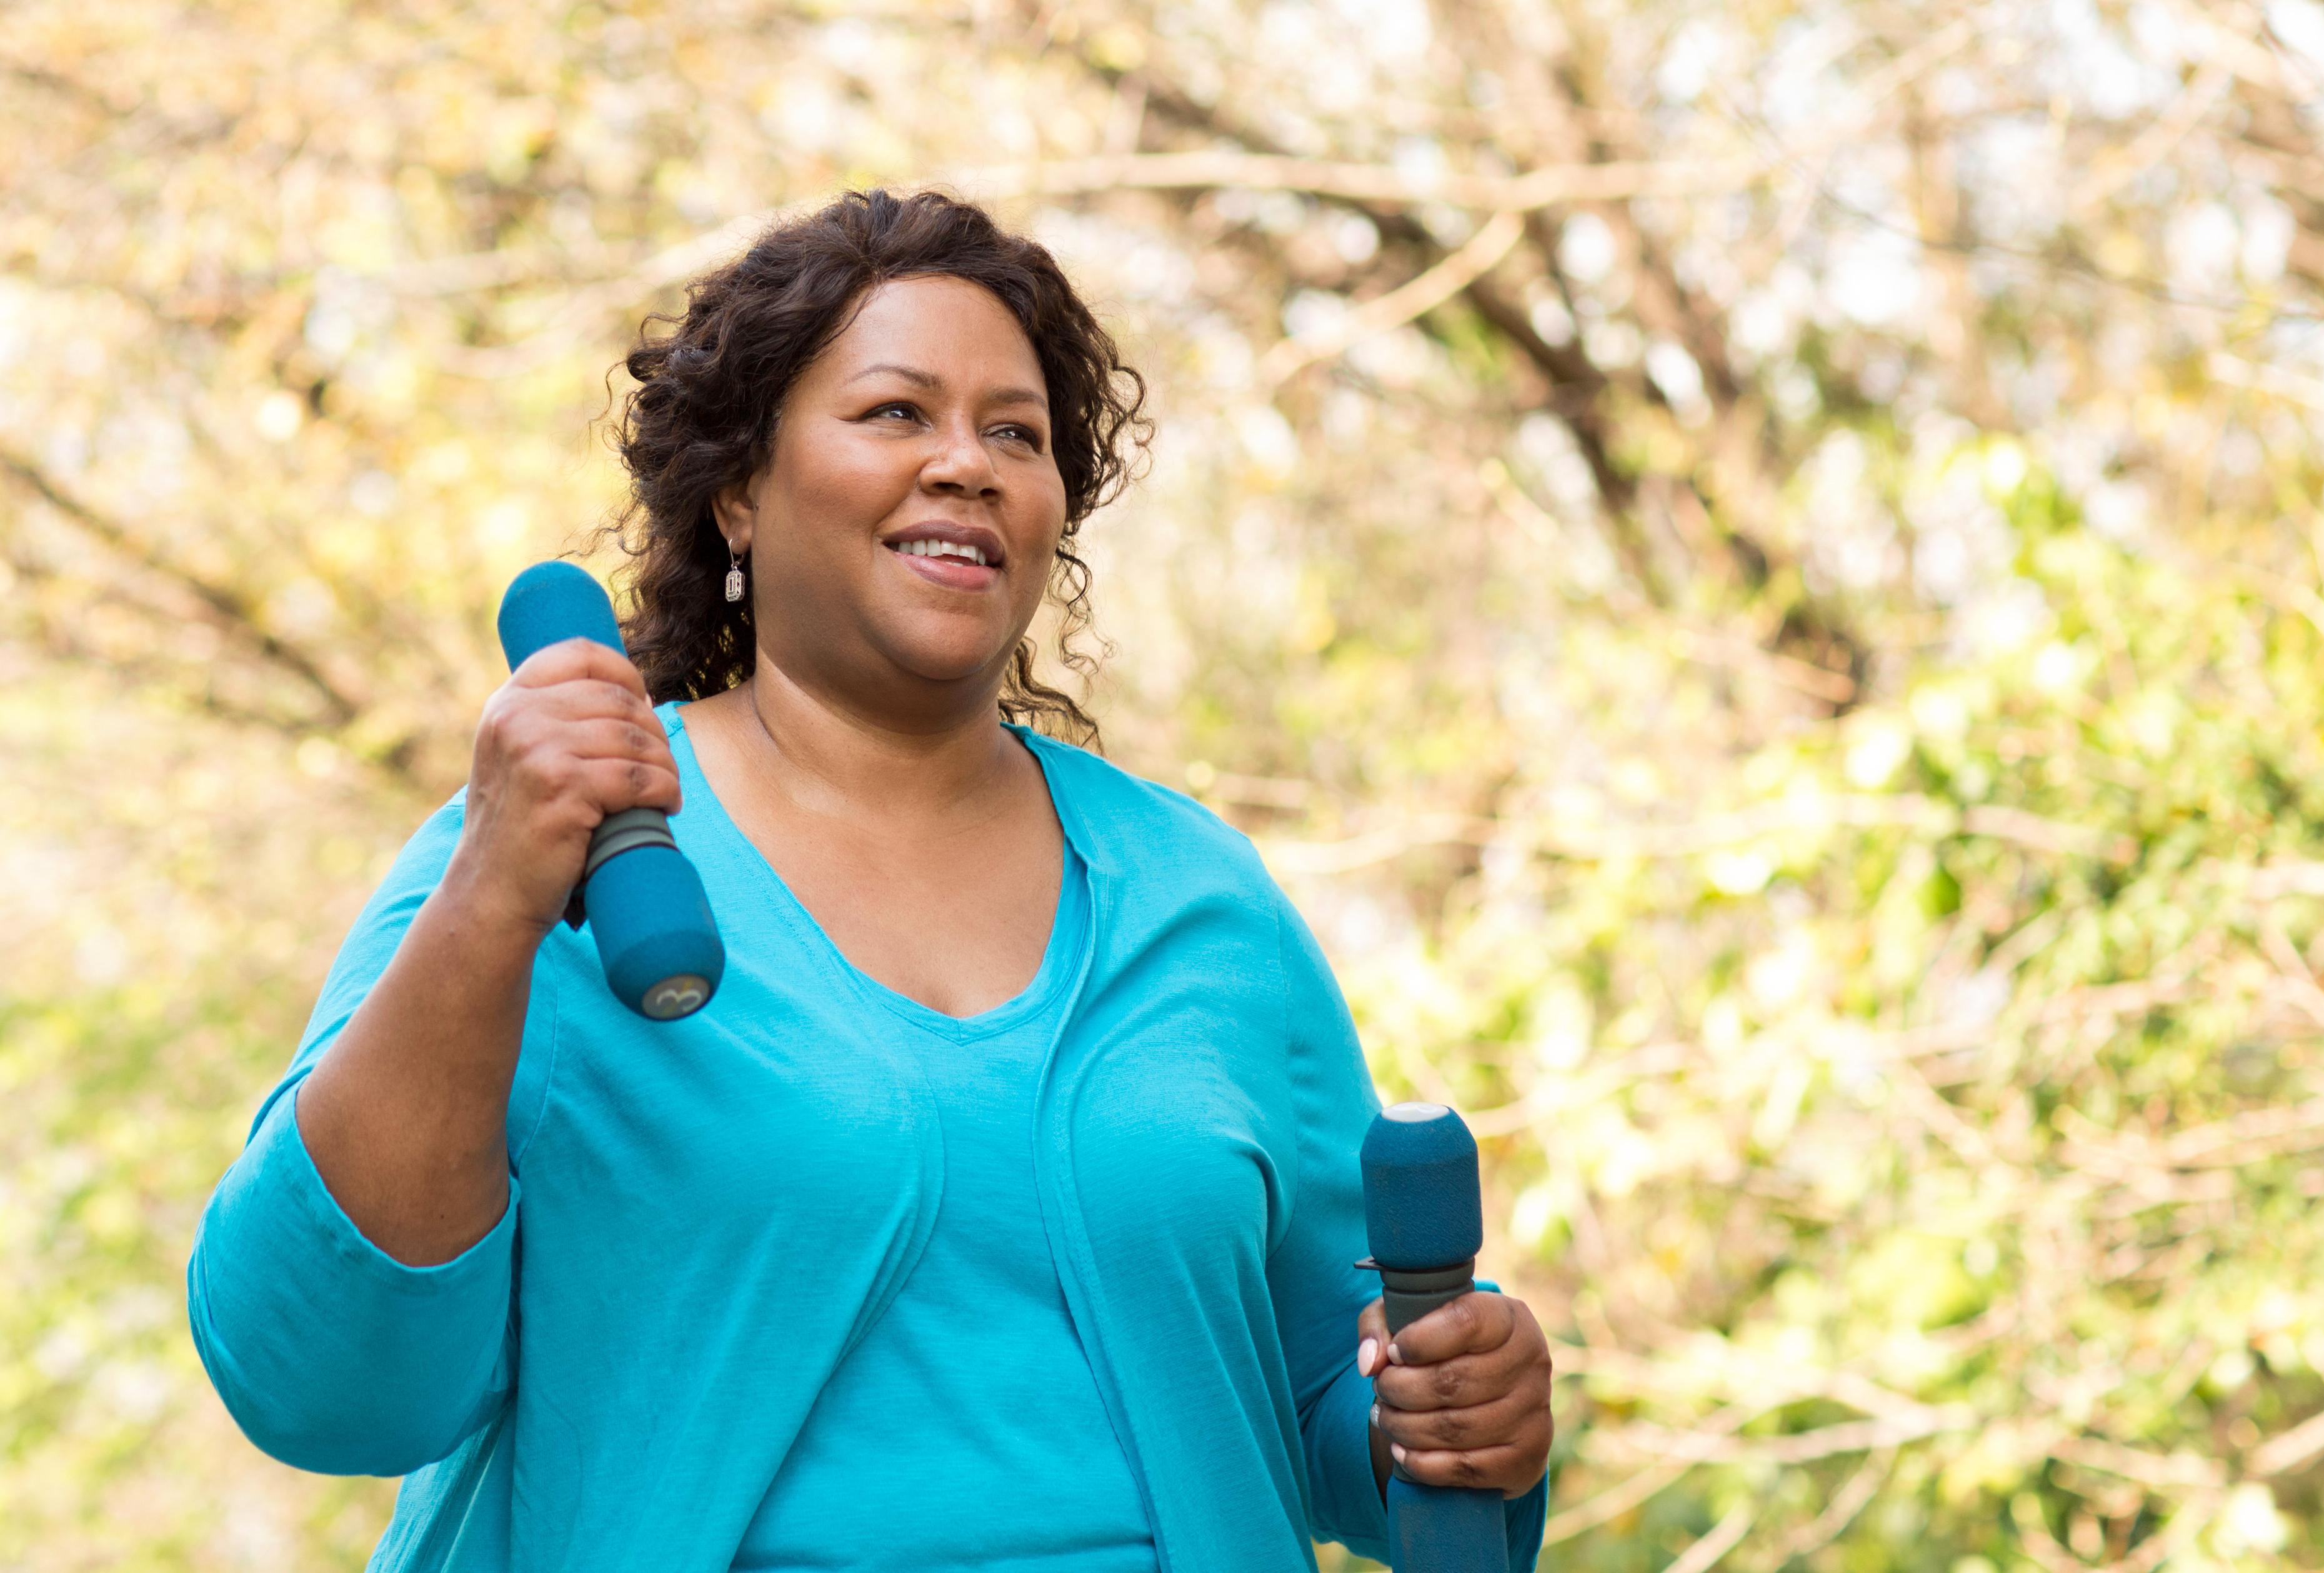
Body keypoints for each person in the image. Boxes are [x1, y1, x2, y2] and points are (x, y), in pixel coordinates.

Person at [186, 189, 1553, 1572]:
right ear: (738, 490)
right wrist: (491, 893)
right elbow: (319, 1376)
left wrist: (1446, 1416)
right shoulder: (563, 853)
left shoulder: (1199, 896)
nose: (965, 463)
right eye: (895, 412)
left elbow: (1324, 1387)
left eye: (1013, 431)